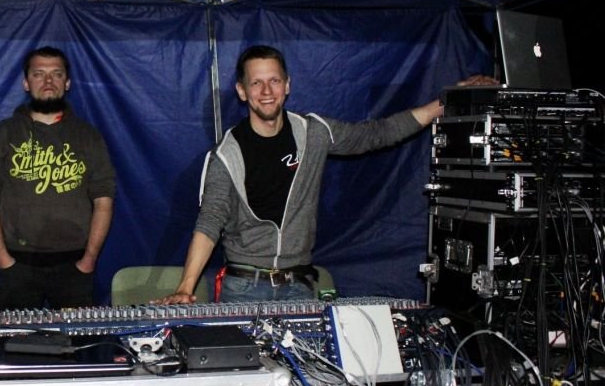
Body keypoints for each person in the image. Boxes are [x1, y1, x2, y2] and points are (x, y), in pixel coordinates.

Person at [159, 45, 497, 305]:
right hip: (243, 288)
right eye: (256, 82)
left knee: (308, 373)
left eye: (274, 80)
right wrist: (186, 288)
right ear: (242, 91)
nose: (266, 90)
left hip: (299, 287)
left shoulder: (314, 132)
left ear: (287, 86)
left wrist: (444, 103)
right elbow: (210, 221)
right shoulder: (225, 155)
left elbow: (377, 134)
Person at [0, 46, 116, 309]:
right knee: (15, 335)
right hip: (17, 262)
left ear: (67, 83)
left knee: (77, 335)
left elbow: (104, 200)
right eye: (39, 74)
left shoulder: (88, 136)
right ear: (26, 83)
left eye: (56, 74)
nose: (48, 81)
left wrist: (89, 259)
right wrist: (2, 257)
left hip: (75, 265)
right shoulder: (4, 134)